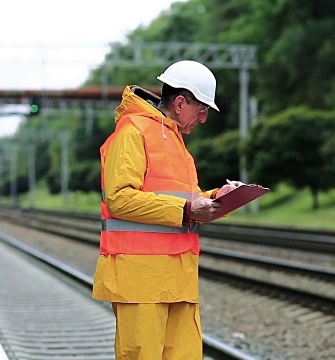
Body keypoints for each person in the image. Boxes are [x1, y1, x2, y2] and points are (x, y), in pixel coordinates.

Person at [92, 60, 241, 359]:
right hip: (141, 283)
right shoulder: (132, 132)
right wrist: (187, 208)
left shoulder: (174, 141)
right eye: (202, 111)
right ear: (181, 102)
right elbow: (120, 198)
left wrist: (217, 197)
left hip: (179, 279)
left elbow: (181, 197)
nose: (203, 120)